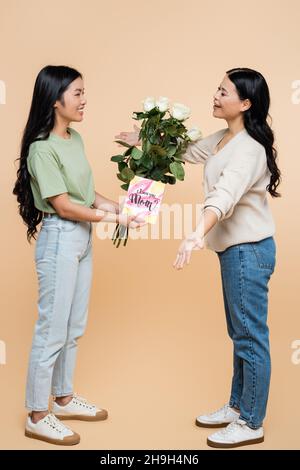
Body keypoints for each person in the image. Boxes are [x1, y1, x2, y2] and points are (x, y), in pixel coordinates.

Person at [116, 67, 281, 448]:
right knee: (240, 335)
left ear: (245, 103)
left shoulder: (249, 149)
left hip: (248, 251)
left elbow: (223, 196)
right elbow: (188, 152)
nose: (215, 95)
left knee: (251, 338)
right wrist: (141, 140)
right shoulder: (225, 139)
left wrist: (195, 233)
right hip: (236, 252)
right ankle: (238, 407)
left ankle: (251, 422)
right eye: (217, 88)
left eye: (224, 91)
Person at [13, 65, 144, 446]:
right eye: (77, 93)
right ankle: (38, 414)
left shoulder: (75, 138)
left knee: (74, 326)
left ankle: (65, 399)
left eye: (84, 92)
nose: (84, 100)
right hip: (60, 239)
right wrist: (113, 216)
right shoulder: (41, 148)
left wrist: (120, 207)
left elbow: (86, 196)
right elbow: (64, 206)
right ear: (55, 100)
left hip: (83, 239)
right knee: (51, 329)